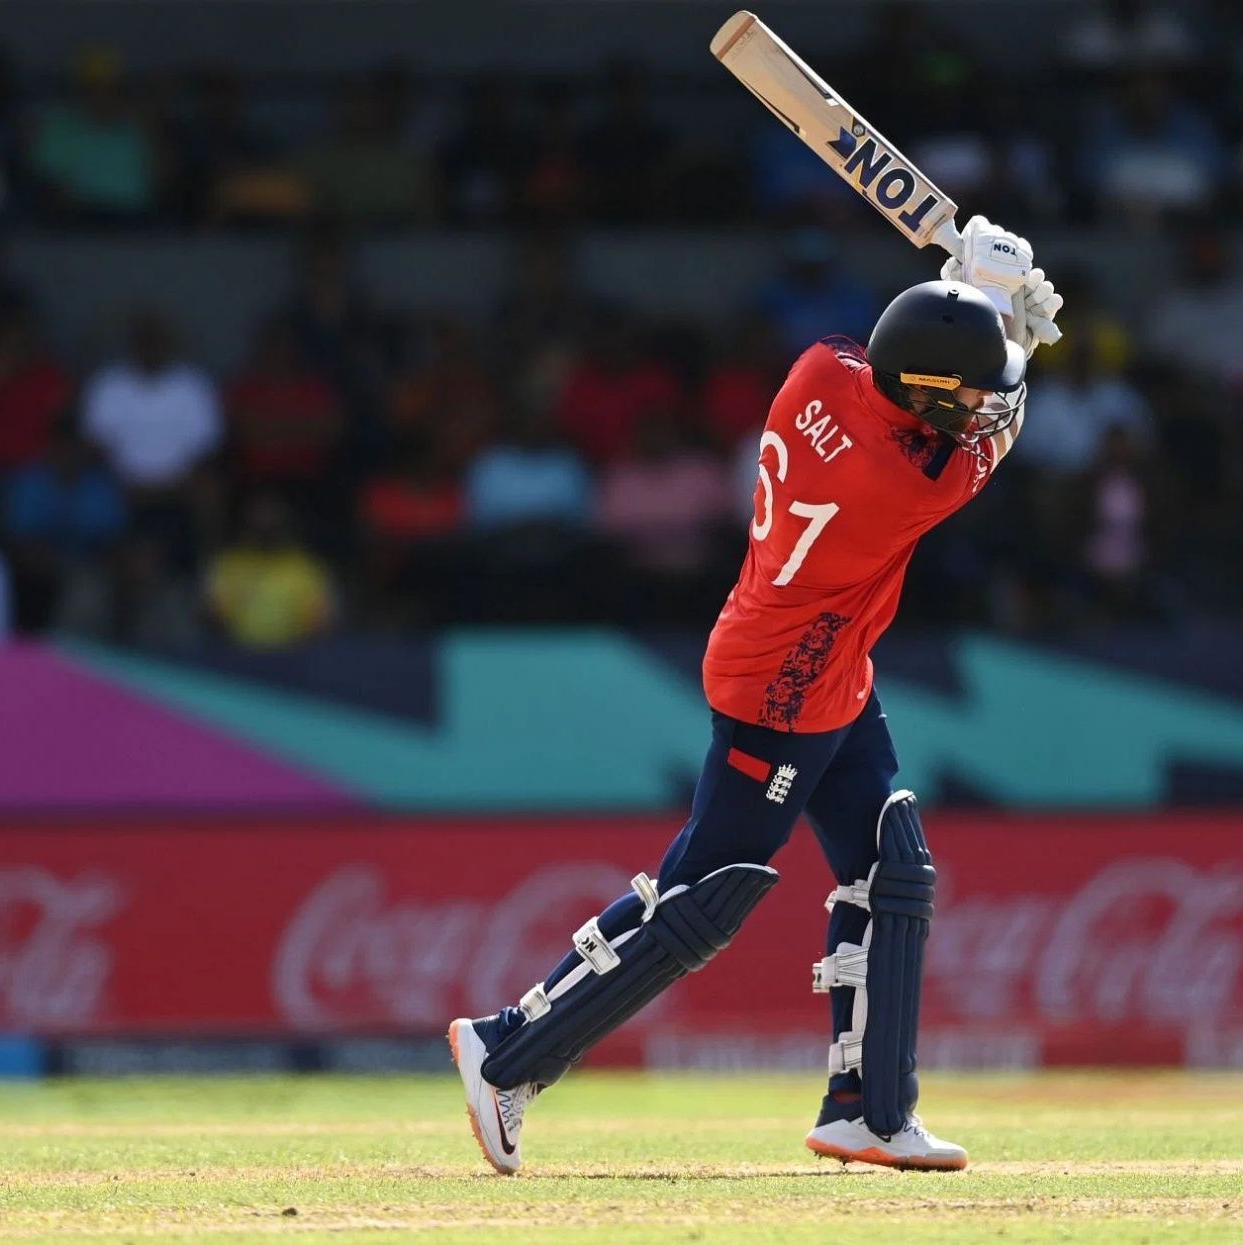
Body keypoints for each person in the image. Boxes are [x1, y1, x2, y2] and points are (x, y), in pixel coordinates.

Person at [448, 218, 1063, 1175]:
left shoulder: (820, 368)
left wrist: (974, 300)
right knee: (708, 891)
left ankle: (869, 1109)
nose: (988, 405)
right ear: (933, 395)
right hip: (787, 687)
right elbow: (999, 433)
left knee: (889, 867)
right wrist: (1009, 318)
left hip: (815, 656)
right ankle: (509, 1051)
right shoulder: (903, 480)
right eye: (972, 391)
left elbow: (921, 369)